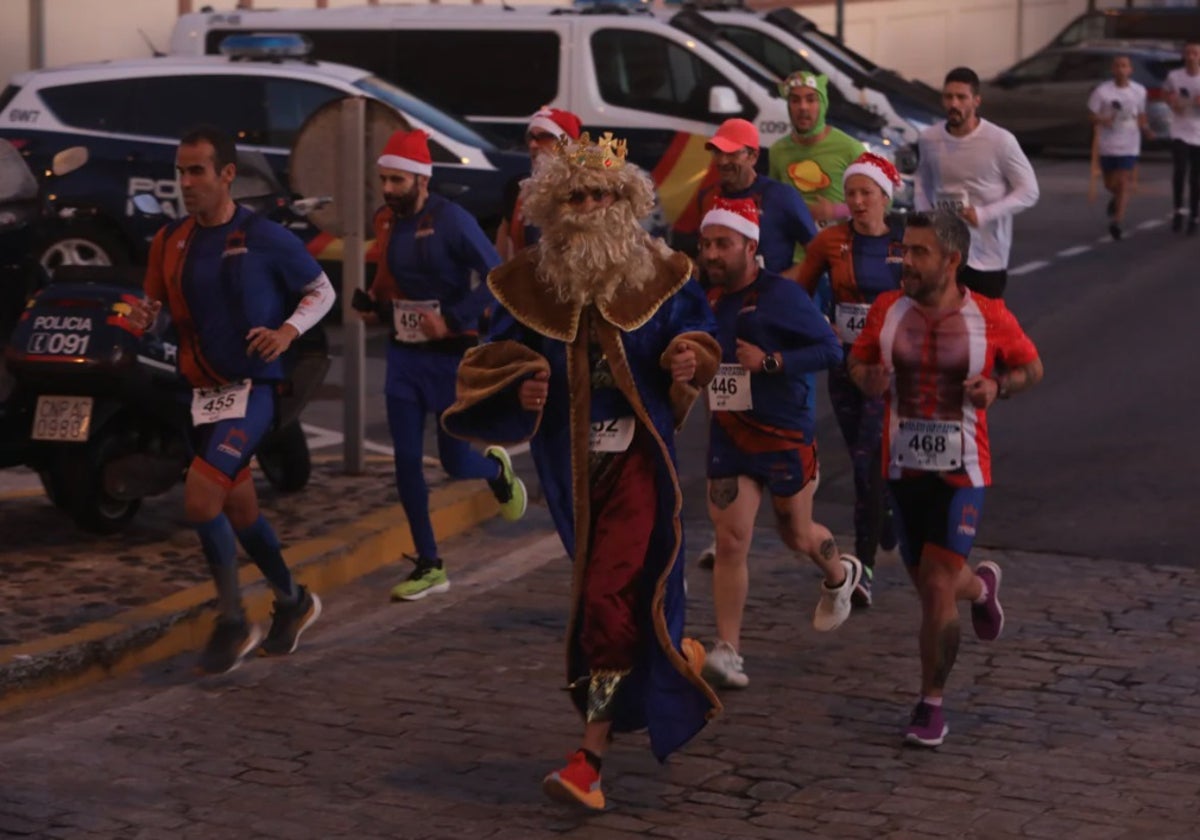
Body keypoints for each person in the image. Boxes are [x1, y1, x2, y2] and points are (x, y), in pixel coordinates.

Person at [441, 131, 722, 810]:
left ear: (625, 201)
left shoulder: (664, 273)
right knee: (615, 593)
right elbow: (485, 362)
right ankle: (666, 653)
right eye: (575, 195)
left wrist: (690, 359)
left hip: (637, 464)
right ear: (553, 206)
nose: (588, 205)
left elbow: (701, 338)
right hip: (570, 471)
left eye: (600, 193)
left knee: (605, 598)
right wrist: (522, 386)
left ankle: (589, 759)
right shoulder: (529, 284)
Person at [129, 125, 333, 674]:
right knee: (240, 511)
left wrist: (287, 332)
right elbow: (149, 304)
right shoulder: (170, 240)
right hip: (202, 394)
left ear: (226, 175)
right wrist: (140, 316)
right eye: (181, 171)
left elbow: (322, 291)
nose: (186, 182)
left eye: (197, 171)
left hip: (254, 389)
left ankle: (232, 619)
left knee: (200, 501)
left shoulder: (262, 235)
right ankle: (293, 601)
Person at [847, 210, 1043, 747]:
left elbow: (1032, 368)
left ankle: (930, 706)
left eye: (918, 252)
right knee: (933, 585)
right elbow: (857, 366)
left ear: (952, 260)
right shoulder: (887, 310)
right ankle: (981, 588)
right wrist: (870, 379)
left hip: (963, 472)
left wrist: (998, 387)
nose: (904, 261)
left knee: (935, 586)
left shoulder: (991, 316)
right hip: (902, 469)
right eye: (903, 250)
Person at [698, 196, 862, 691]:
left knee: (796, 535)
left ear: (750, 247)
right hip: (729, 432)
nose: (711, 254)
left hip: (784, 432)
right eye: (706, 244)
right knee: (730, 541)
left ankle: (839, 574)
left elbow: (831, 349)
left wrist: (770, 362)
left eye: (722, 244)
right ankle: (728, 651)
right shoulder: (703, 299)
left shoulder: (782, 296)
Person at [361, 128, 527, 602]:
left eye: (397, 180)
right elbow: (387, 278)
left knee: (455, 463)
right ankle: (430, 563)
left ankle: (495, 471)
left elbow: (499, 276)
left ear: (421, 180)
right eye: (384, 180)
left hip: (450, 358)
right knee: (406, 462)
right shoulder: (386, 221)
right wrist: (372, 303)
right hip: (403, 357)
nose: (389, 189)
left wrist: (452, 318)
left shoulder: (451, 219)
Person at [693, 117, 817, 571]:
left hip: (775, 322)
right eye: (717, 152)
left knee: (781, 408)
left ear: (752, 155)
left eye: (732, 152)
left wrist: (784, 284)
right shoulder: (709, 198)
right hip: (724, 319)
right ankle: (725, 530)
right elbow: (695, 256)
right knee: (721, 412)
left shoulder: (780, 197)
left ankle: (798, 503)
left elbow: (815, 250)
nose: (723, 161)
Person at [795, 152, 904, 608]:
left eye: (867, 193)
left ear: (885, 197)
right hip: (844, 365)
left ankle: (864, 568)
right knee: (866, 461)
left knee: (867, 461)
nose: (858, 202)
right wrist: (820, 329)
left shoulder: (906, 241)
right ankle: (888, 514)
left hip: (890, 368)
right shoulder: (830, 243)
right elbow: (798, 295)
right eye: (852, 193)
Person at [915, 67, 1039, 299]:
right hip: (943, 250)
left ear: (976, 101)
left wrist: (984, 214)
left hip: (986, 256)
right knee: (941, 324)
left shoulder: (999, 140)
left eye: (961, 97)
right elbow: (923, 181)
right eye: (948, 97)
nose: (954, 103)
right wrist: (925, 217)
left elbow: (1029, 190)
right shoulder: (929, 139)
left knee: (984, 329)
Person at [768, 72, 867, 229]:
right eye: (795, 100)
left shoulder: (850, 149)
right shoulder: (777, 151)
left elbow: (883, 203)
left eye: (811, 99)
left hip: (837, 249)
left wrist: (836, 211)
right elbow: (771, 204)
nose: (803, 107)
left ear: (823, 104)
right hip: (793, 250)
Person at [494, 106, 583, 260]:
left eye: (545, 137)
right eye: (531, 138)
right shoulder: (518, 187)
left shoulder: (585, 190)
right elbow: (501, 246)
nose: (533, 145)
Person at [1088, 54, 1153, 241]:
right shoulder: (1103, 91)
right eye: (1117, 66)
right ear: (1112, 69)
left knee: (1124, 181)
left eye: (1124, 66)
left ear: (1130, 70)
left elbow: (1141, 114)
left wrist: (1147, 129)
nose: (1121, 69)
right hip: (1108, 143)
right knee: (1110, 183)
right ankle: (1116, 198)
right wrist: (1102, 119)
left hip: (1130, 142)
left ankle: (1117, 221)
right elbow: (1091, 115)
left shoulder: (1139, 91)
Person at [1165, 42, 1200, 235]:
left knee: (1196, 177)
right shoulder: (1175, 76)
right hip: (1179, 130)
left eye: (1195, 53)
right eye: (1188, 53)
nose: (1191, 56)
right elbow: (1166, 93)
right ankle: (1178, 210)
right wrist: (1172, 103)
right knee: (1179, 169)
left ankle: (1194, 215)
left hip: (1199, 131)